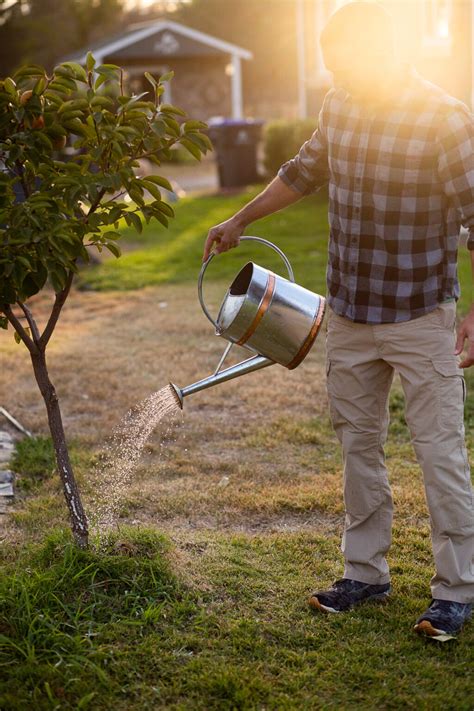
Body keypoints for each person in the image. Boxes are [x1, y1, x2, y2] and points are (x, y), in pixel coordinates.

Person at [202, 1, 474, 641]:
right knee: (358, 445)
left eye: (345, 60)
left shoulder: (446, 118)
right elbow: (301, 174)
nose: (337, 72)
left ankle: (458, 590)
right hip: (351, 310)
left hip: (421, 311)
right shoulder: (340, 106)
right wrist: (240, 220)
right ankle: (365, 574)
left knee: (440, 453)